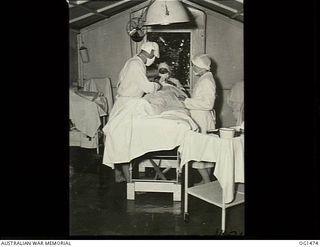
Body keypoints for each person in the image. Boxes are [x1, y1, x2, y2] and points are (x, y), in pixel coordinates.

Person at [104, 41, 162, 183]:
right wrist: (157, 85)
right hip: (127, 105)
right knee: (123, 141)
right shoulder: (136, 64)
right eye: (154, 55)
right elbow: (147, 87)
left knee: (117, 139)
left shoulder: (132, 62)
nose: (154, 58)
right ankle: (128, 180)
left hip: (124, 103)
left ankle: (119, 174)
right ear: (149, 52)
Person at [178, 54, 216, 185]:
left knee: (200, 151)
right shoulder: (205, 78)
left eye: (194, 65)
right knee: (205, 151)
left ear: (201, 66)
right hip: (201, 118)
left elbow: (208, 104)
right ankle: (206, 181)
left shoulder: (207, 81)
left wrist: (186, 101)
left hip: (202, 119)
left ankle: (207, 181)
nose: (192, 67)